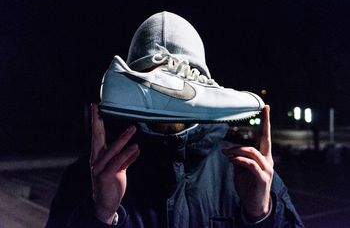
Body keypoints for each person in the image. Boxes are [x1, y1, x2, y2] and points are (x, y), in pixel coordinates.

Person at [46, 12, 304, 228]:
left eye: (184, 73)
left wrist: (261, 215)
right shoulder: (86, 176)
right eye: (153, 74)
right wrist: (100, 214)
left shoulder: (247, 171)